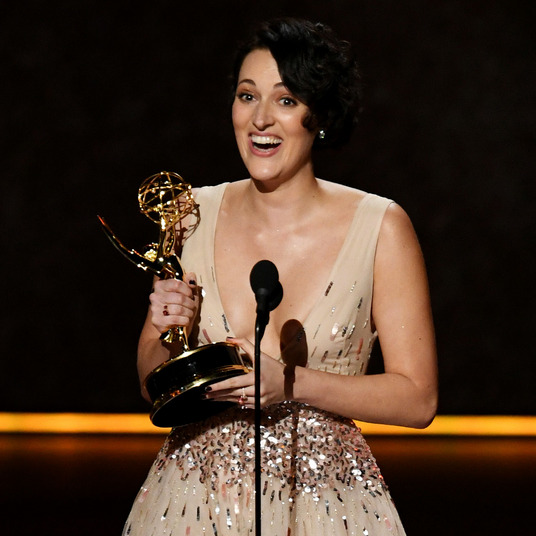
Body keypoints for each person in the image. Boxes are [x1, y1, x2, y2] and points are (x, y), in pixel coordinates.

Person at [123, 18, 437, 536]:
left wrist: (290, 383)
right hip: (192, 505)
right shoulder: (190, 215)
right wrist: (163, 326)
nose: (261, 119)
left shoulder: (380, 227)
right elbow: (150, 382)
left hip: (327, 506)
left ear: (321, 116)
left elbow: (418, 399)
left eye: (286, 100)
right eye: (247, 96)